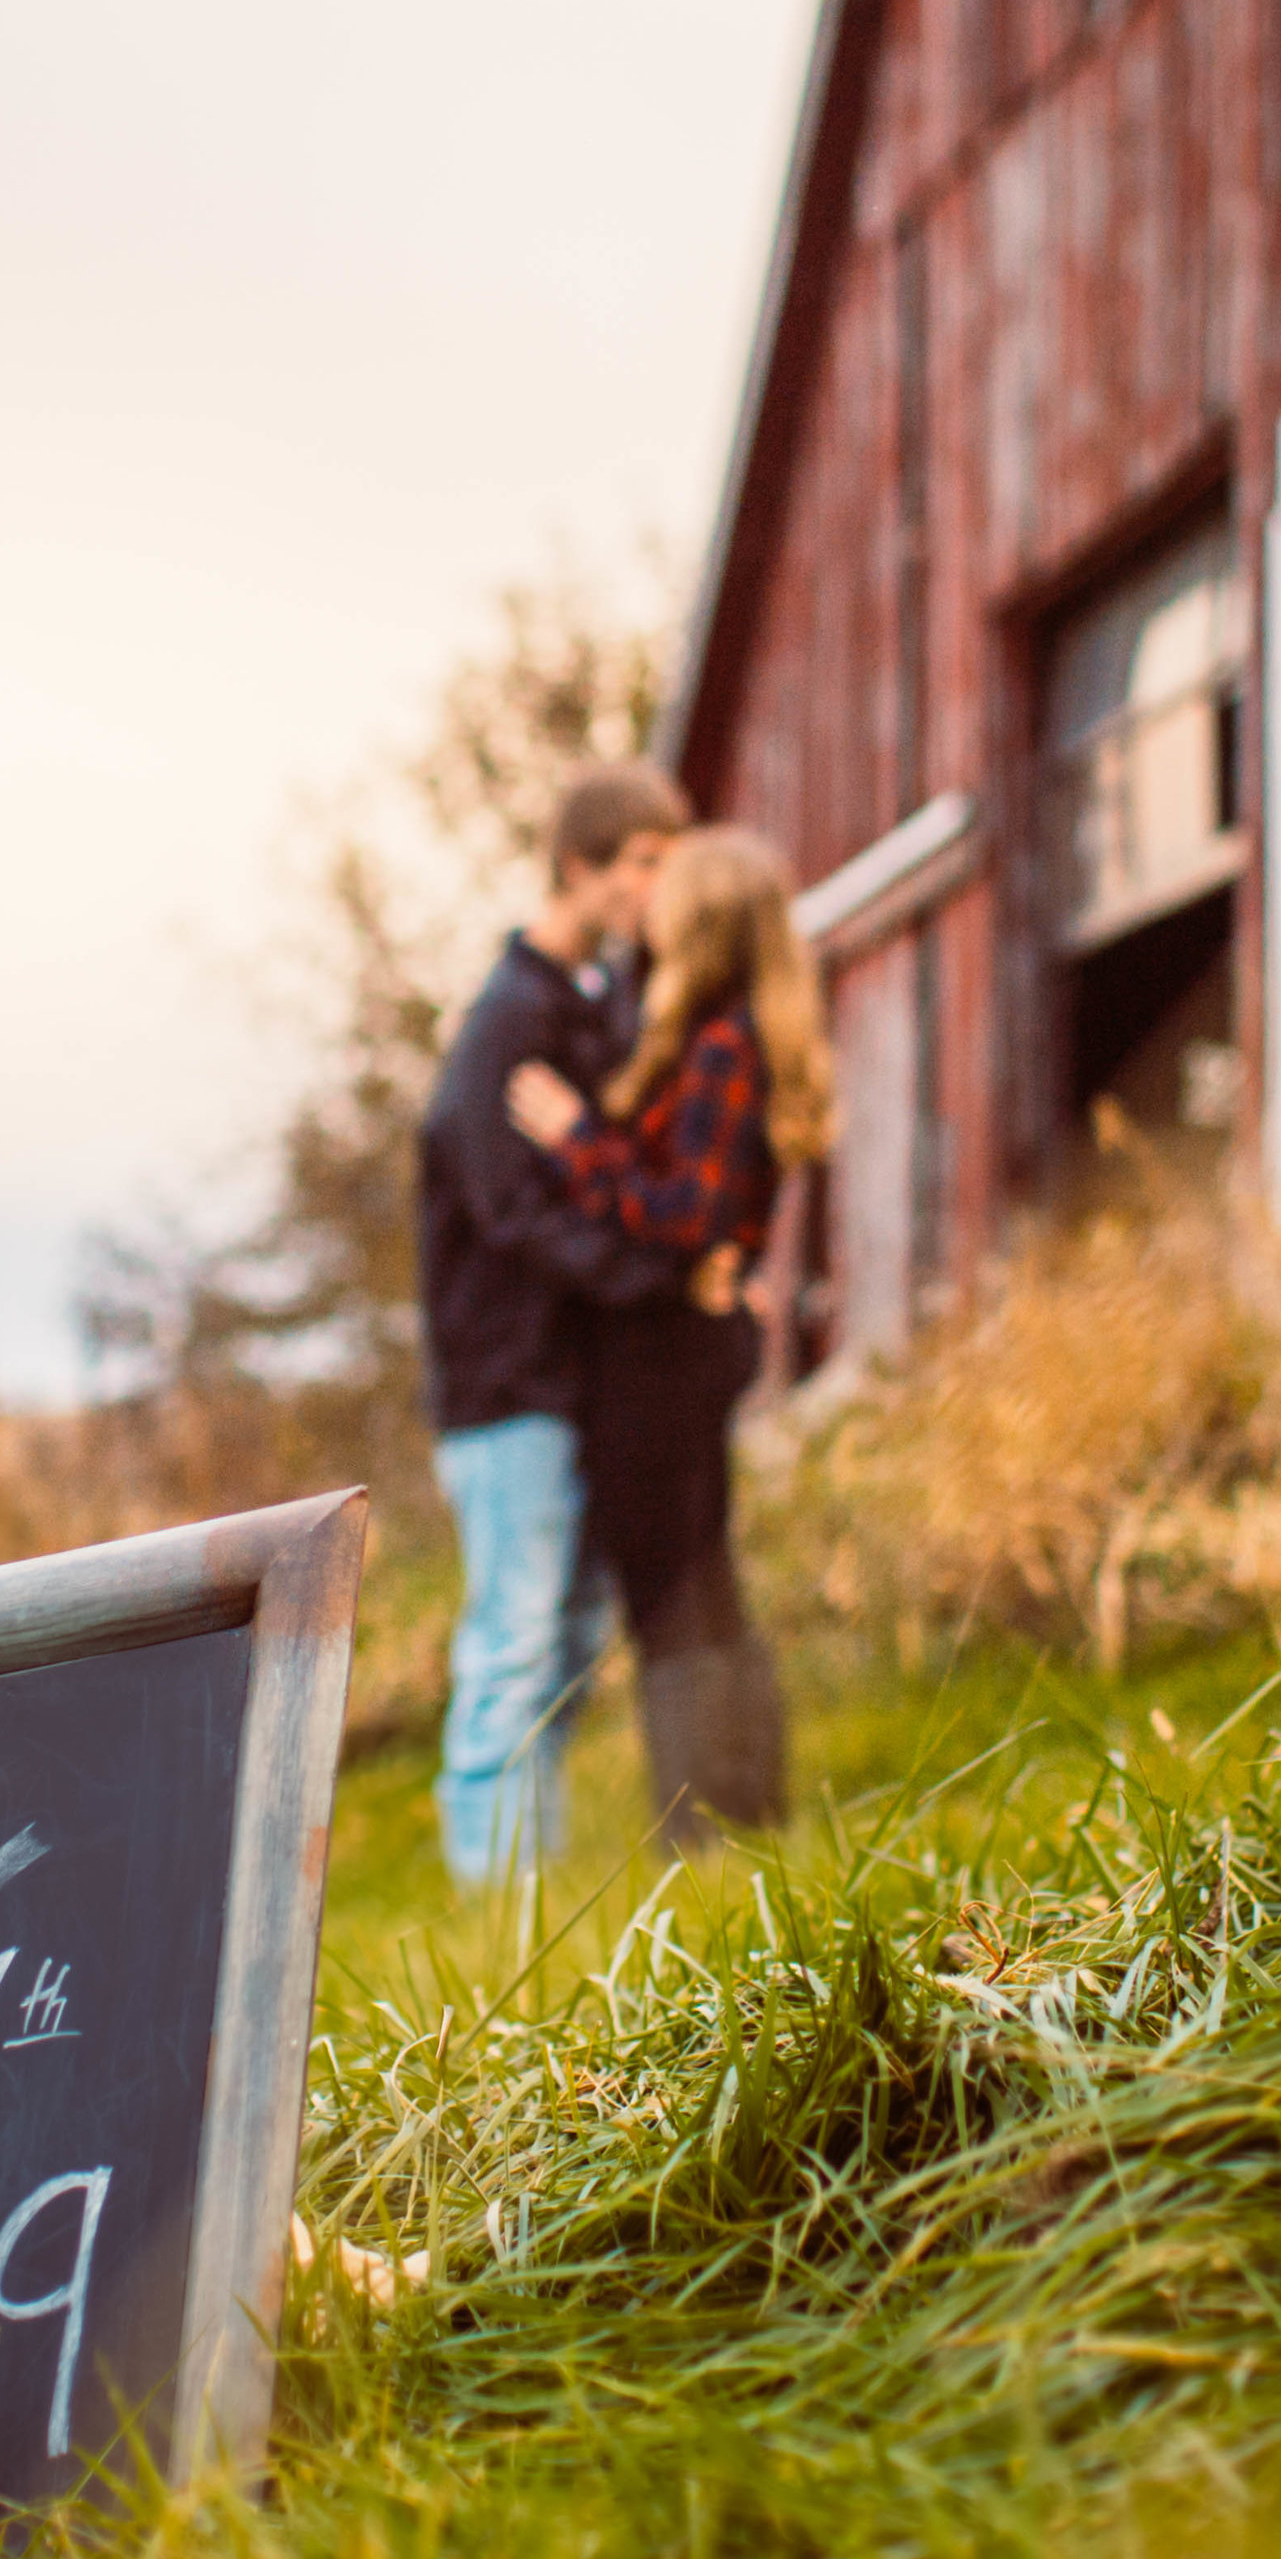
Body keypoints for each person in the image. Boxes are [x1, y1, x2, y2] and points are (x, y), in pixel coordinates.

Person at [507, 824, 836, 1850]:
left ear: (698, 918)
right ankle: (748, 1809)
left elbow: (680, 1212)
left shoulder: (721, 1044)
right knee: (704, 1578)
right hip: (695, 1336)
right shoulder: (728, 1035)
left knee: (667, 1591)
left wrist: (574, 1139)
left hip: (664, 1354)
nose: (646, 908)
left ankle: (695, 1829)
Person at [416, 760, 701, 1887]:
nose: (653, 891)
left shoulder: (592, 1008)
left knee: (570, 1647)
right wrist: (656, 1276)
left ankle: (523, 1892)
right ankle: (491, 1909)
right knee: (514, 1644)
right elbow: (510, 1211)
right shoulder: (504, 1029)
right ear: (579, 868)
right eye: (640, 865)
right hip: (505, 1396)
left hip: (572, 1390)